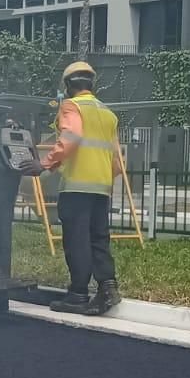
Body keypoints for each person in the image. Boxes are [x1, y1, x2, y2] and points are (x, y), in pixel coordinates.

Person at [35, 61, 122, 316]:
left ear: (68, 85)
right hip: (101, 187)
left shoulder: (71, 106)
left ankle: (78, 294)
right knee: (98, 238)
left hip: (76, 186)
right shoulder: (107, 113)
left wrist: (46, 163)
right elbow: (117, 160)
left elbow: (71, 137)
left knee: (77, 240)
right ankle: (108, 286)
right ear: (91, 84)